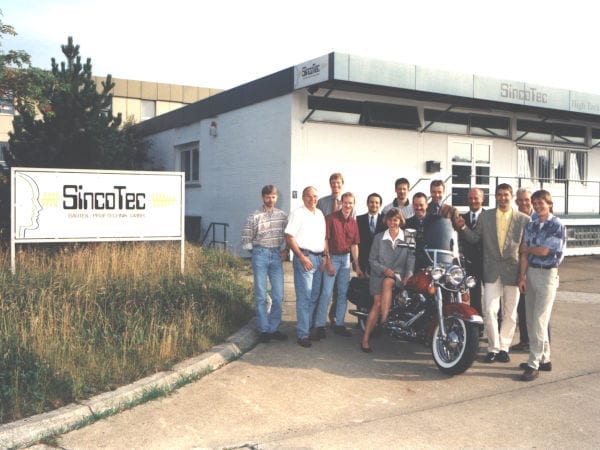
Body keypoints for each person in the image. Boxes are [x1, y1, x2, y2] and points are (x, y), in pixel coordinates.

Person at [455, 183, 530, 364]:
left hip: (513, 272)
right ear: (495, 197)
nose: (503, 198)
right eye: (499, 195)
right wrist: (463, 227)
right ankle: (493, 348)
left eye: (506, 194)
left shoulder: (523, 219)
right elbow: (474, 238)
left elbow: (524, 250)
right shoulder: (486, 216)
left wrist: (523, 274)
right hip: (491, 272)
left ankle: (504, 347)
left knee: (510, 313)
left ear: (511, 196)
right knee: (489, 310)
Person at [517, 190, 566, 381]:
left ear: (550, 204)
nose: (538, 207)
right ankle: (544, 359)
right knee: (531, 319)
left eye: (541, 203)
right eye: (535, 203)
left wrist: (528, 249)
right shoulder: (532, 225)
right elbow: (524, 254)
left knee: (539, 320)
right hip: (530, 273)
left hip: (547, 275)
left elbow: (545, 251)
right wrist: (521, 276)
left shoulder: (556, 225)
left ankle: (533, 363)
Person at [360, 208, 415, 353]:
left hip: (397, 276)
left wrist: (408, 274)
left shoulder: (408, 236)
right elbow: (372, 260)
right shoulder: (379, 237)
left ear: (400, 221)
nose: (392, 222)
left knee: (389, 282)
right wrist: (384, 270)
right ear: (386, 221)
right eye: (390, 220)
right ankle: (366, 338)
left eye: (396, 219)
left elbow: (411, 258)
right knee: (377, 303)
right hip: (378, 275)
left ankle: (383, 321)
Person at [241, 185, 289, 343]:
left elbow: (289, 236)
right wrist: (256, 253)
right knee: (261, 294)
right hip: (260, 254)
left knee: (278, 295)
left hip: (276, 255)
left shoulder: (283, 216)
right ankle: (263, 329)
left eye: (273, 197)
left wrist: (285, 251)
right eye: (268, 197)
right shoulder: (254, 216)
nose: (271, 200)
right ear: (263, 197)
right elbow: (246, 240)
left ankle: (273, 328)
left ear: (276, 198)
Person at [313, 192, 363, 339]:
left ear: (353, 205)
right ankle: (319, 325)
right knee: (327, 293)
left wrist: (357, 265)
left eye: (350, 203)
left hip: (346, 259)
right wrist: (328, 262)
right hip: (333, 258)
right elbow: (325, 241)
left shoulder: (353, 222)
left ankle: (340, 324)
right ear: (341, 203)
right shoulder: (330, 219)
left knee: (343, 293)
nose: (348, 205)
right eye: (345, 202)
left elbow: (354, 245)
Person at [285, 186, 327, 348]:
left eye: (315, 196)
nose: (312, 199)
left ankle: (307, 328)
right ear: (303, 198)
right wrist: (301, 257)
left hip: (318, 259)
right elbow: (289, 237)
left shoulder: (320, 214)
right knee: (305, 298)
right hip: (305, 258)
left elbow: (323, 238)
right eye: (309, 196)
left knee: (314, 295)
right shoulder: (298, 213)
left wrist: (325, 256)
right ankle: (303, 334)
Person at [511, 186, 534, 352]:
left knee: (538, 310)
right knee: (521, 307)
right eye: (520, 200)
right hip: (518, 268)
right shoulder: (516, 218)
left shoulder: (538, 218)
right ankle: (525, 340)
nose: (524, 203)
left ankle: (539, 346)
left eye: (527, 199)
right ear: (516, 201)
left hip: (535, 269)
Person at [458, 187, 485, 315]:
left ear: (482, 199)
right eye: (470, 198)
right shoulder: (460, 219)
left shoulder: (489, 217)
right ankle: (477, 327)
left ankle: (498, 327)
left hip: (487, 263)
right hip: (470, 263)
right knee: (474, 296)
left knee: (493, 298)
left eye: (476, 198)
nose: (473, 201)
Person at [356, 193, 387, 274]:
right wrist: (355, 261)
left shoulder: (386, 221)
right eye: (371, 202)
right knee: (362, 285)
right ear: (367, 203)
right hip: (362, 260)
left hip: (380, 261)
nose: (374, 205)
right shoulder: (358, 220)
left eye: (377, 202)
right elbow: (354, 241)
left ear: (380, 205)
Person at [404, 192, 430, 271]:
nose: (418, 207)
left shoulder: (435, 221)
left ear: (426, 205)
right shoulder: (407, 223)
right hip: (414, 266)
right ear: (412, 206)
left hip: (431, 263)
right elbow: (409, 246)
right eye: (416, 205)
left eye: (421, 205)